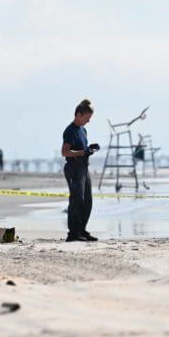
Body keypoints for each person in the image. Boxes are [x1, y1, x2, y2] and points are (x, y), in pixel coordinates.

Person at [61, 99, 99, 242]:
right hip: (73, 168)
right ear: (78, 114)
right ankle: (73, 234)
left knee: (87, 202)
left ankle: (82, 230)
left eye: (89, 119)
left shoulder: (83, 130)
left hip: (84, 168)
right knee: (76, 200)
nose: (88, 121)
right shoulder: (70, 130)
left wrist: (89, 150)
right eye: (86, 118)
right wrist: (82, 152)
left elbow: (82, 150)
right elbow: (65, 152)